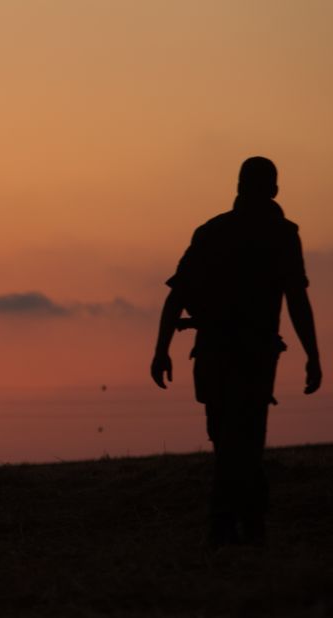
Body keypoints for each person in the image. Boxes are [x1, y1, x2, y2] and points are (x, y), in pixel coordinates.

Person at [151, 157, 322, 547]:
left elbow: (176, 296)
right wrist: (313, 354)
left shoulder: (213, 232)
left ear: (239, 186)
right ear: (274, 190)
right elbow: (296, 299)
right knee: (242, 442)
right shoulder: (281, 234)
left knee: (231, 441)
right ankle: (243, 526)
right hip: (251, 355)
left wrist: (161, 350)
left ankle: (231, 526)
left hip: (218, 353)